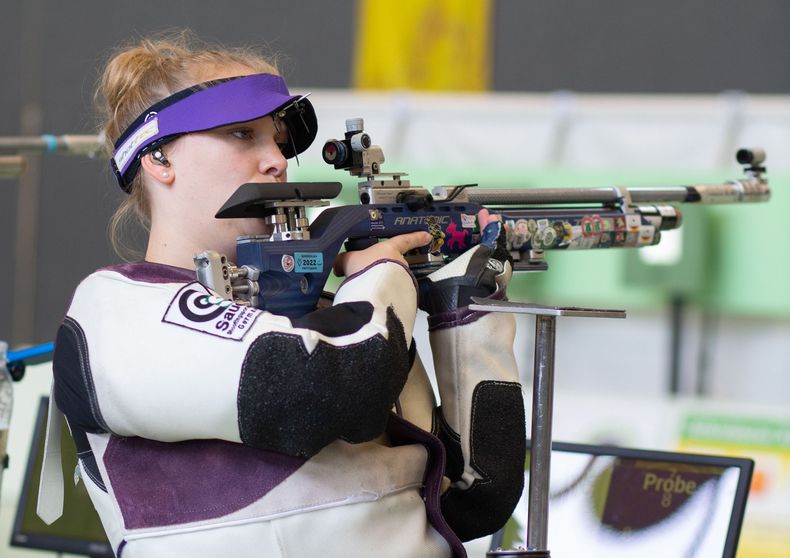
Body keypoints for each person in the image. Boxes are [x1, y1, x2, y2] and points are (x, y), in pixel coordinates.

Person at [39, 33, 526, 558]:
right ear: (158, 158)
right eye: (242, 134)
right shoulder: (116, 315)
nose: (276, 160)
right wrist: (384, 273)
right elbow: (326, 393)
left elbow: (473, 499)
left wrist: (469, 306)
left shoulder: (346, 321)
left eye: (277, 140)